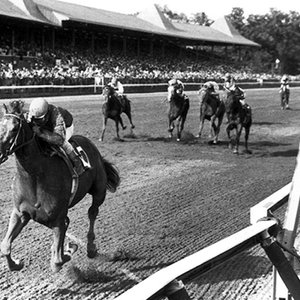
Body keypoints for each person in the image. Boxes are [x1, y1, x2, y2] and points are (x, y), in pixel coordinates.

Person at [28, 98, 87, 176]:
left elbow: (59, 139)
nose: (36, 120)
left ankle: (78, 163)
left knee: (63, 144)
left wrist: (41, 133)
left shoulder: (57, 115)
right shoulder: (33, 112)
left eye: (39, 119)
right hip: (48, 128)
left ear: (46, 114)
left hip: (66, 127)